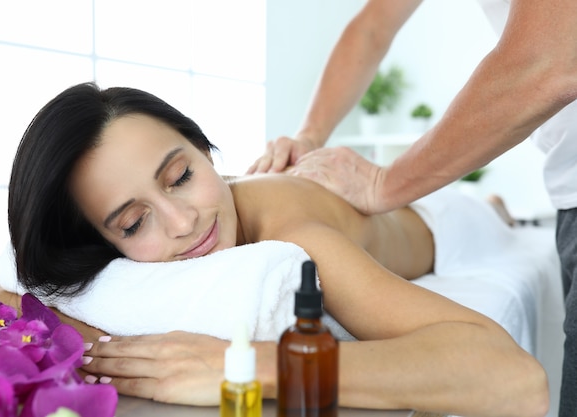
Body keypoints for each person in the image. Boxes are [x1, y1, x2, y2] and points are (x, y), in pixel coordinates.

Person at [0, 83, 548, 417]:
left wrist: (244, 366)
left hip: (444, 223)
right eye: (135, 223)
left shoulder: (293, 236)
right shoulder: (170, 222)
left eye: (181, 175)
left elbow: (509, 376)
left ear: (206, 150)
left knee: (488, 208)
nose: (186, 222)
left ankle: (494, 204)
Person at [247, 2, 577, 415]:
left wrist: (384, 183)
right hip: (564, 187)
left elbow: (546, 60)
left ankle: (494, 207)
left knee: (475, 210)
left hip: (444, 216)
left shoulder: (292, 227)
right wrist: (310, 135)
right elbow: (373, 25)